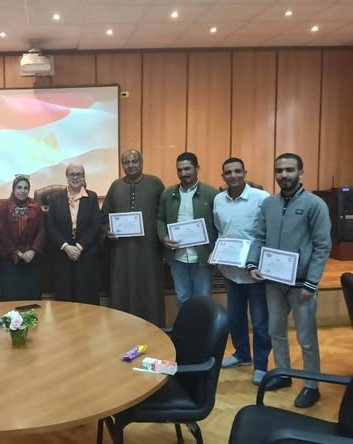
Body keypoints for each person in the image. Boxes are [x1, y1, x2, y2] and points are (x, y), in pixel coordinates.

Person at [246, 153, 331, 408]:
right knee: (276, 332)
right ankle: (283, 374)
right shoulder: (269, 204)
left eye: (289, 170)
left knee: (306, 338)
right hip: (274, 282)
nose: (284, 175)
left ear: (300, 172)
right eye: (279, 170)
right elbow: (259, 237)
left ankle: (312, 386)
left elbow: (322, 246)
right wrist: (253, 263)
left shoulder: (315, 204)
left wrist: (311, 282)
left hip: (302, 285)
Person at [213, 158, 272, 385]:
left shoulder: (261, 197)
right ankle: (242, 355)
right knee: (235, 318)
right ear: (223, 176)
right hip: (230, 271)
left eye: (237, 171)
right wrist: (219, 256)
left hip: (255, 272)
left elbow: (266, 232)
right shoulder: (218, 200)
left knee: (260, 322)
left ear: (245, 172)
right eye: (228, 172)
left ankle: (261, 365)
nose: (233, 176)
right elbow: (220, 230)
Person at [101, 150, 166, 326]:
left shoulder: (155, 183)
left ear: (141, 162)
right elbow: (104, 216)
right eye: (126, 162)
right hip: (122, 252)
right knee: (122, 289)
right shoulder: (116, 186)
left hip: (148, 250)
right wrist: (108, 231)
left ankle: (153, 329)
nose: (130, 165)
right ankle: (122, 329)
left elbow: (164, 214)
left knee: (149, 289)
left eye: (134, 161)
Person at [156, 152, 218, 307]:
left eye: (187, 169)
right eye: (179, 170)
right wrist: (164, 237)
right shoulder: (168, 193)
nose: (183, 173)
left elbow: (219, 225)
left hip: (202, 257)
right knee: (182, 298)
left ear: (197, 168)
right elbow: (160, 219)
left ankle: (203, 325)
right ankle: (187, 324)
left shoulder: (211, 194)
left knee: (203, 299)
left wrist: (215, 252)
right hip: (177, 258)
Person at [47, 163, 101, 305]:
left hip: (86, 253)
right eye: (72, 174)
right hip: (62, 254)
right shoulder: (55, 197)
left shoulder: (92, 197)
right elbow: (51, 227)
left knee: (86, 296)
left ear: (83, 177)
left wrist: (79, 247)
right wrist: (66, 247)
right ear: (66, 176)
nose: (75, 177)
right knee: (65, 297)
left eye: (79, 174)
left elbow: (95, 226)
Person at [0, 175, 46, 301]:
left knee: (31, 297)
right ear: (13, 189)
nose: (22, 191)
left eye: (25, 188)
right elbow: (2, 233)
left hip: (31, 258)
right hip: (9, 258)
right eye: (19, 187)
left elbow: (42, 230)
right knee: (10, 296)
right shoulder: (2, 208)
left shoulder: (36, 208)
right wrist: (17, 252)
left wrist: (33, 250)